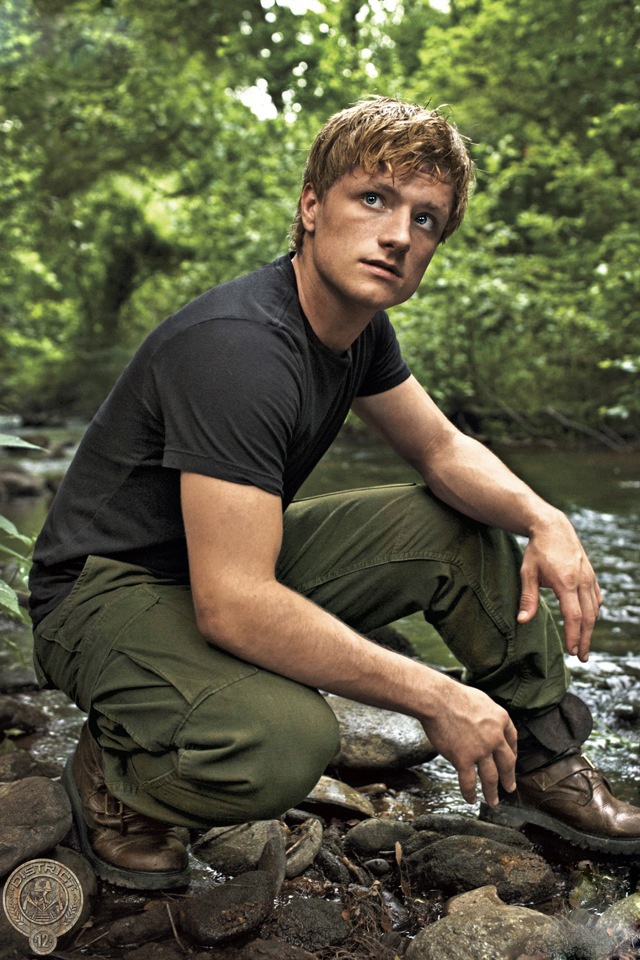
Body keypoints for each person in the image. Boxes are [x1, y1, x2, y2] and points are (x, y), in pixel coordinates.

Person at [28, 96, 640, 891]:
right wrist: (435, 696)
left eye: (426, 220)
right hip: (101, 594)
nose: (398, 235)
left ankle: (547, 765)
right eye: (375, 199)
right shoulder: (242, 349)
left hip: (211, 566)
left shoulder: (357, 328)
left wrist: (544, 517)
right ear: (312, 208)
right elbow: (234, 604)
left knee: (454, 525)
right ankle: (118, 780)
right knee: (281, 742)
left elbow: (442, 448)